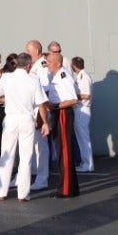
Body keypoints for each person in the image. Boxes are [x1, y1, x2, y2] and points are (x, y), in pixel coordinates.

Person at [0, 53, 43, 201]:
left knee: (6, 154)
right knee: (26, 156)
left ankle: (1, 192)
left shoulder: (6, 77)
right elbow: (40, 102)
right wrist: (46, 123)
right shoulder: (34, 79)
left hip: (11, 117)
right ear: (28, 65)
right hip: (26, 118)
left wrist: (9, 98)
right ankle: (23, 194)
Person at [43, 43, 82, 198]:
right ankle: (70, 187)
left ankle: (66, 189)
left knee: (64, 151)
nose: (47, 64)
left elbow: (73, 99)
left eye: (50, 62)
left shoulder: (63, 76)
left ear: (58, 64)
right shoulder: (55, 76)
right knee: (61, 151)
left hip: (63, 113)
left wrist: (55, 106)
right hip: (58, 112)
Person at [24, 41, 51, 190]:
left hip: (40, 110)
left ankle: (42, 179)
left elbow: (45, 91)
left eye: (28, 50)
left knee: (41, 146)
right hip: (33, 109)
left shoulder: (42, 66)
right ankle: (33, 172)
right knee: (33, 145)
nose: (27, 53)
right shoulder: (34, 66)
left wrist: (41, 116)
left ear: (36, 50)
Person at [70, 56, 94, 173]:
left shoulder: (84, 77)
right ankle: (85, 162)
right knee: (81, 138)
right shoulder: (81, 76)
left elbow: (86, 95)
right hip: (80, 109)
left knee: (83, 138)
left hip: (82, 109)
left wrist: (72, 96)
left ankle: (88, 164)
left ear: (74, 66)